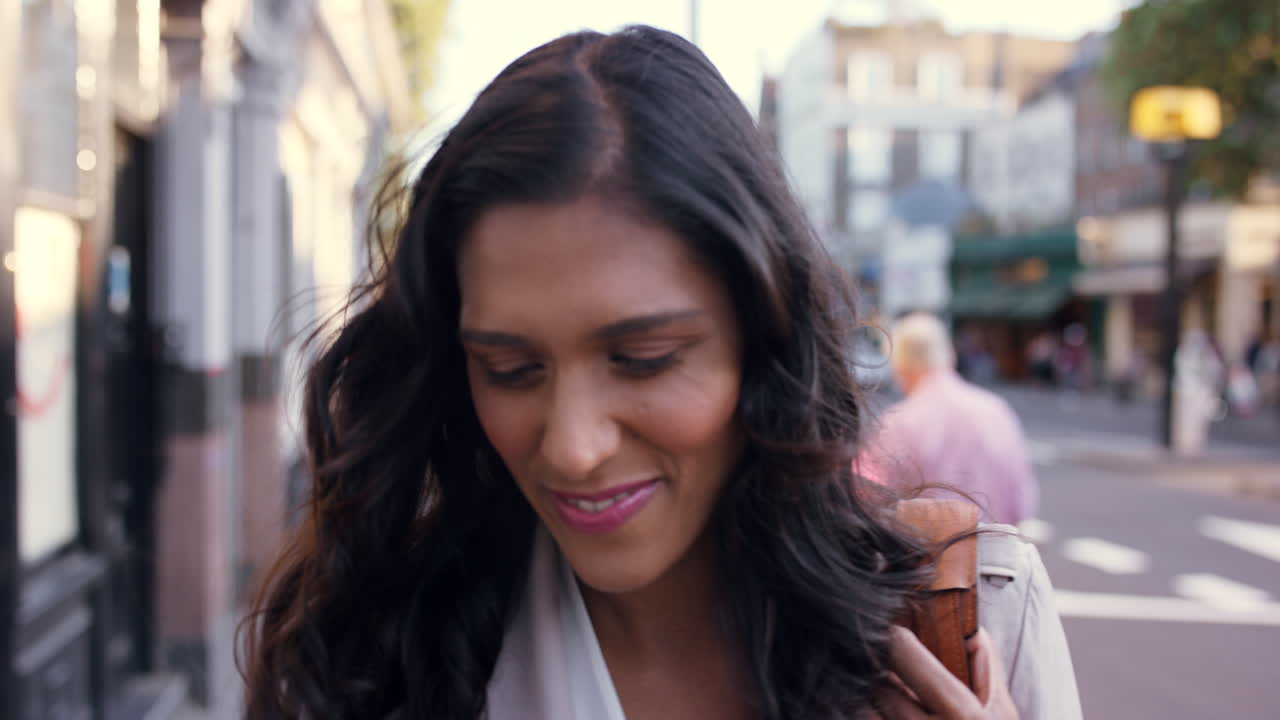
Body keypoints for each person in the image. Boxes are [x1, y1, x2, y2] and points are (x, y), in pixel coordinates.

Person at [242, 27, 1079, 719]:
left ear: (762, 339)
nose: (572, 449)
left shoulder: (973, 621)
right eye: (510, 368)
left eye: (642, 361)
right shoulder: (369, 658)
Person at [861, 313, 1038, 526]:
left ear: (900, 364)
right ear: (948, 354)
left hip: (928, 554)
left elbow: (868, 499)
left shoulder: (899, 423)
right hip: (996, 549)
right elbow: (1021, 498)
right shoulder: (996, 410)